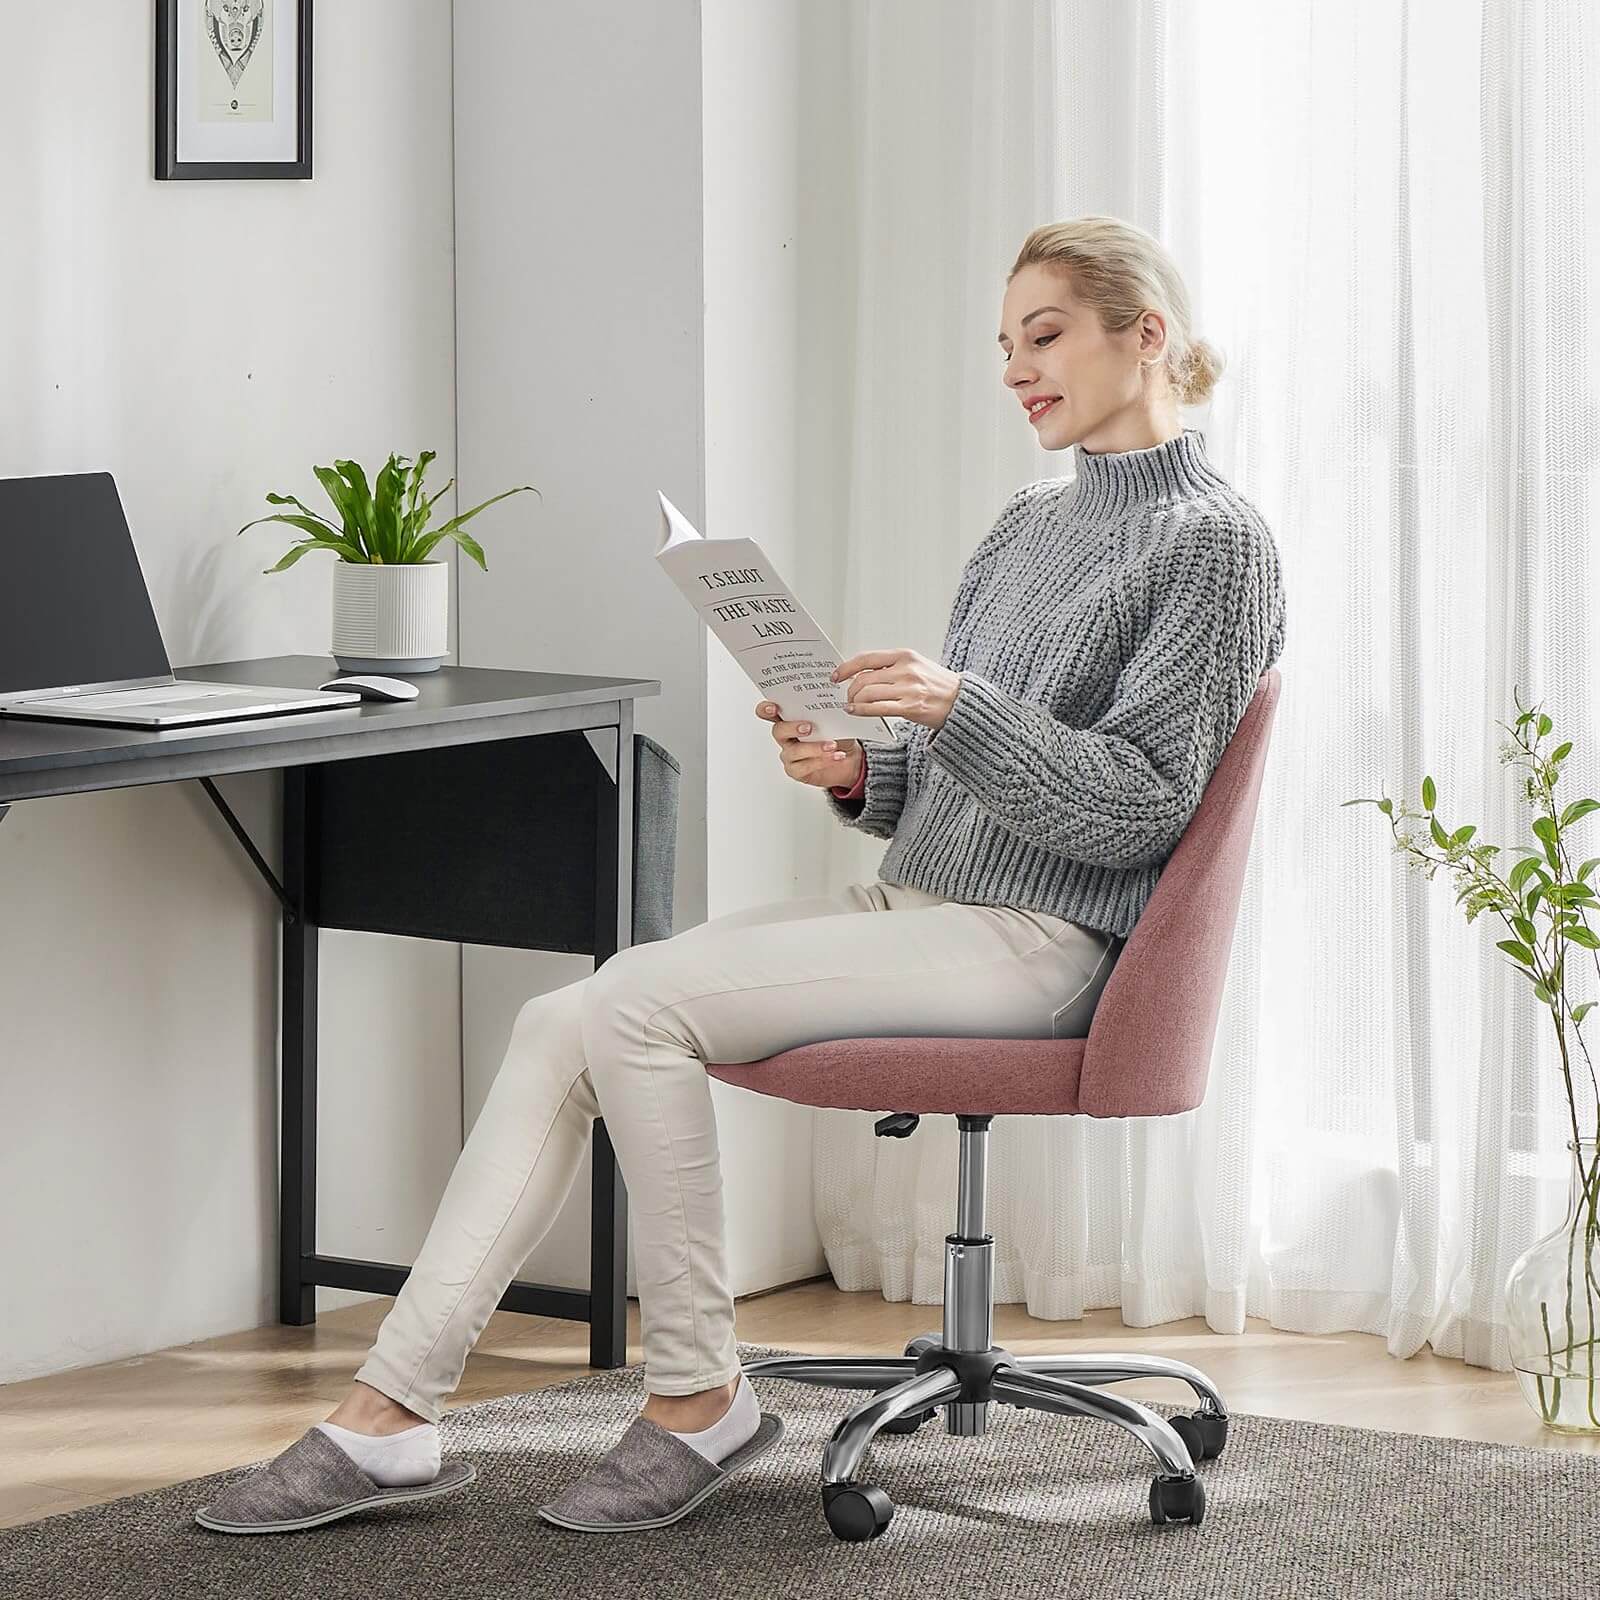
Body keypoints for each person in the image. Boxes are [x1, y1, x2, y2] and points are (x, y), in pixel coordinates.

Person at [194, 214, 1286, 1535]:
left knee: (634, 1001)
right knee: (562, 1020)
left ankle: (696, 1395)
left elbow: (1140, 808)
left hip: (1048, 942)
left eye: (1043, 337)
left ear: (1145, 333)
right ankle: (389, 1414)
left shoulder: (1214, 543)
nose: (1015, 370)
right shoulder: (1024, 527)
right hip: (929, 910)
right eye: (1004, 345)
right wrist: (861, 767)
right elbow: (963, 784)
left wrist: (958, 706)